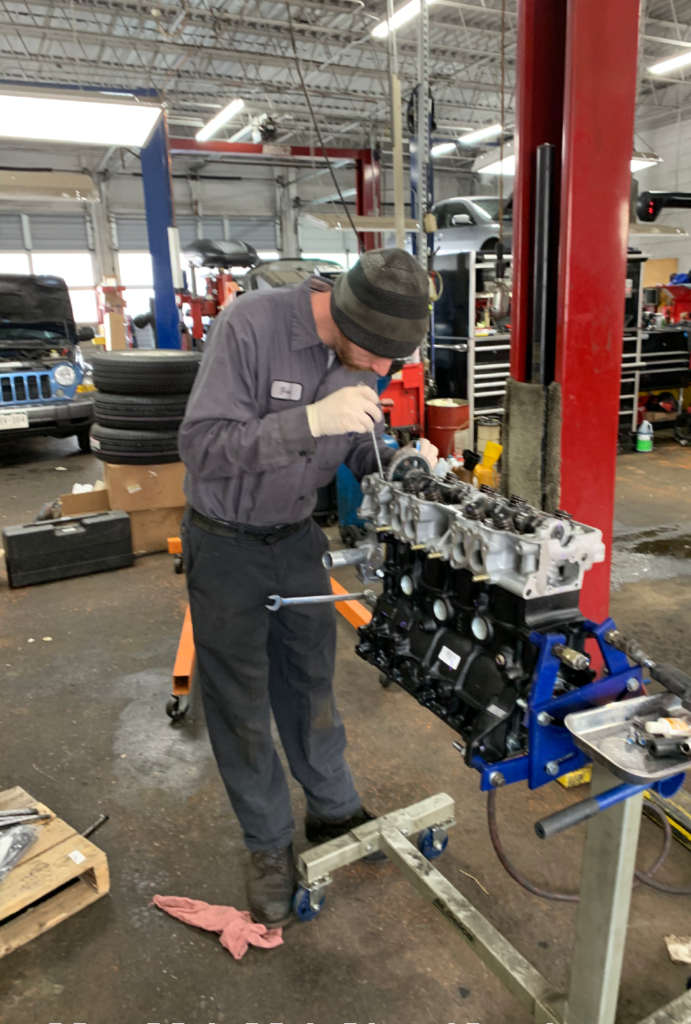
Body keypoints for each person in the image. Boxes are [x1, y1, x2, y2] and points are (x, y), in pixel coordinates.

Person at [178, 248, 438, 925]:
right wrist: (309, 421)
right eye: (378, 357)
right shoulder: (250, 326)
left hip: (296, 540)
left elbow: (356, 442)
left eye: (394, 361)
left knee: (310, 680)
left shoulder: (368, 347)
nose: (383, 372)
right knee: (239, 700)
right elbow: (202, 445)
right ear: (344, 314)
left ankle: (331, 807)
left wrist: (396, 459)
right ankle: (267, 844)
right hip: (226, 541)